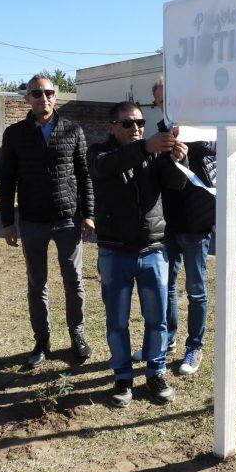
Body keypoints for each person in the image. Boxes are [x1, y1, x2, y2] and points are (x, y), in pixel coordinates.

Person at [87, 101, 188, 408]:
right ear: (111, 127)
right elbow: (106, 167)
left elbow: (177, 183)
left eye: (140, 123)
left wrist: (176, 159)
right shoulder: (98, 153)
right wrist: (146, 147)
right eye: (128, 124)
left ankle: (156, 373)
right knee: (116, 321)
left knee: (157, 319)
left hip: (153, 250)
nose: (136, 129)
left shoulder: (153, 154)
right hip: (115, 251)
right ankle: (122, 377)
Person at [0, 74, 95, 367]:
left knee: (73, 280)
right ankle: (42, 340)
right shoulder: (15, 134)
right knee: (36, 283)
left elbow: (84, 174)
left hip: (68, 219)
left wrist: (89, 214)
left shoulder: (73, 130)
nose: (44, 98)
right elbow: (6, 180)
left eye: (49, 92)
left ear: (56, 96)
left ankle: (77, 335)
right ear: (27, 98)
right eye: (36, 93)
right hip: (32, 220)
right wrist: (7, 221)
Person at [132, 78, 216, 375]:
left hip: (196, 223)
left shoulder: (205, 131)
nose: (166, 106)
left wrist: (187, 142)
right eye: (160, 101)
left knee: (196, 289)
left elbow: (211, 158)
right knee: (165, 287)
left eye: (171, 99)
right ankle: (165, 343)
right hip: (167, 224)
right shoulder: (159, 135)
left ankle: (194, 347)